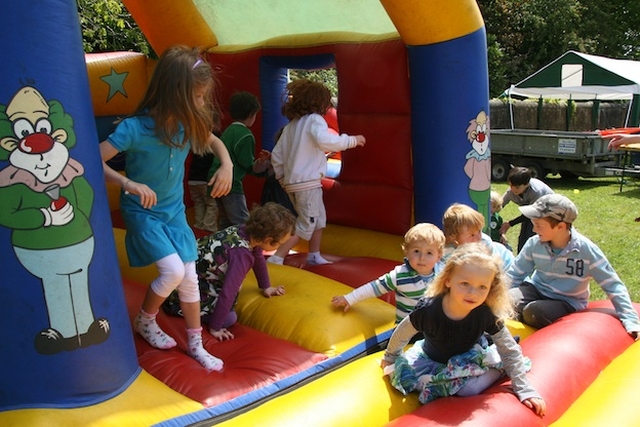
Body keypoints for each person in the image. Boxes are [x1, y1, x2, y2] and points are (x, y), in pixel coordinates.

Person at [100, 46, 233, 372]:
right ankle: (145, 320)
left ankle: (196, 344)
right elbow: (93, 157)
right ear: (176, 94)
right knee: (173, 271)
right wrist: (128, 183)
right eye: (198, 96)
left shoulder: (187, 125)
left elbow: (214, 141)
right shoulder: (135, 129)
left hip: (173, 214)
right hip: (142, 212)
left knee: (189, 278)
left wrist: (226, 163)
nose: (202, 104)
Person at [381, 243, 546, 416]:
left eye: (482, 287)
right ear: (448, 280)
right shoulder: (429, 311)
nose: (473, 293)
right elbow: (403, 331)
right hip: (431, 357)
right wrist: (390, 356)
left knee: (468, 390)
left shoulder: (484, 314)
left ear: (491, 288)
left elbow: (509, 348)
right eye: (465, 283)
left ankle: (497, 369)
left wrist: (524, 388)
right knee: (405, 379)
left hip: (468, 358)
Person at [507, 194, 640, 340]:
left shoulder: (586, 250)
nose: (533, 230)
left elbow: (612, 284)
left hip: (565, 301)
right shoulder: (535, 244)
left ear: (561, 226)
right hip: (536, 290)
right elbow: (514, 274)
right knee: (507, 300)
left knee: (534, 312)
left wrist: (631, 321)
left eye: (539, 225)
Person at [267, 79, 366, 266]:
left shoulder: (290, 127)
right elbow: (326, 140)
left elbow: (277, 156)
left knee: (318, 219)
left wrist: (282, 177)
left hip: (294, 183)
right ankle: (277, 256)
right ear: (319, 103)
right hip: (307, 184)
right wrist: (352, 140)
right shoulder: (314, 120)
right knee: (306, 224)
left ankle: (314, 254)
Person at [162, 202, 296, 339]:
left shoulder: (242, 230)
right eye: (280, 243)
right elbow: (229, 291)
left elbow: (258, 256)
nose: (280, 246)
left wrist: (266, 286)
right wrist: (216, 327)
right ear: (268, 239)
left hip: (182, 281)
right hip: (181, 298)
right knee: (230, 318)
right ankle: (196, 314)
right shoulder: (241, 254)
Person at [331, 223, 445, 324]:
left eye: (429, 253)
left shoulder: (442, 273)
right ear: (406, 251)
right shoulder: (400, 275)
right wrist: (350, 298)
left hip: (433, 328)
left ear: (438, 256)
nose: (422, 258)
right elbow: (374, 287)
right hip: (409, 330)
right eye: (416, 251)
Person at [208, 91, 270, 229]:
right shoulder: (246, 135)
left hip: (215, 180)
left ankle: (222, 248)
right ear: (251, 115)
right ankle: (245, 250)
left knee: (225, 222)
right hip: (230, 183)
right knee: (242, 223)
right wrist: (261, 164)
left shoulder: (229, 130)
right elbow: (247, 164)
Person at [442, 203, 514, 269]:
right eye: (472, 235)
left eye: (479, 231)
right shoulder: (447, 251)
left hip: (506, 266)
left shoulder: (485, 243)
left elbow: (490, 269)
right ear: (453, 237)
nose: (478, 238)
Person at [500, 167, 554, 253]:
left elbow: (532, 214)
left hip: (547, 213)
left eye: (517, 187)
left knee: (532, 236)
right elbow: (499, 204)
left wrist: (510, 223)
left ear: (527, 184)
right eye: (511, 185)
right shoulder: (511, 191)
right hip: (529, 212)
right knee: (522, 239)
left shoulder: (536, 192)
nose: (513, 189)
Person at [187, 110, 222, 232]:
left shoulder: (196, 138)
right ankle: (208, 229)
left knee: (199, 204)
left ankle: (198, 227)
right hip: (206, 180)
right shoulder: (215, 139)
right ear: (213, 124)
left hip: (193, 180)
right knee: (212, 205)